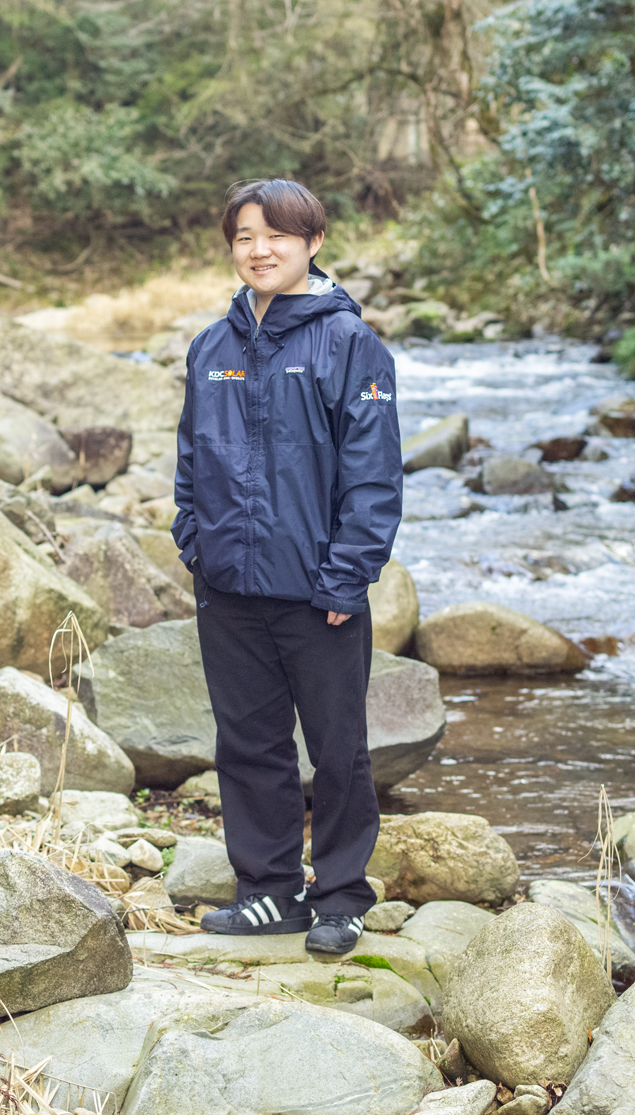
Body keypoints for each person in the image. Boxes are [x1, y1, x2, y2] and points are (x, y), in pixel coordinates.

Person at [172, 178, 403, 955]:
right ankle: (269, 892)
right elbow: (190, 459)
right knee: (249, 745)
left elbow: (374, 475)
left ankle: (340, 897)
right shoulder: (212, 347)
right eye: (244, 236)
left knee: (337, 749)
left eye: (276, 235)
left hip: (318, 591)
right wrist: (195, 543)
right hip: (228, 586)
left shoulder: (349, 344)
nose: (259, 250)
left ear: (313, 243)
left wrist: (348, 573)